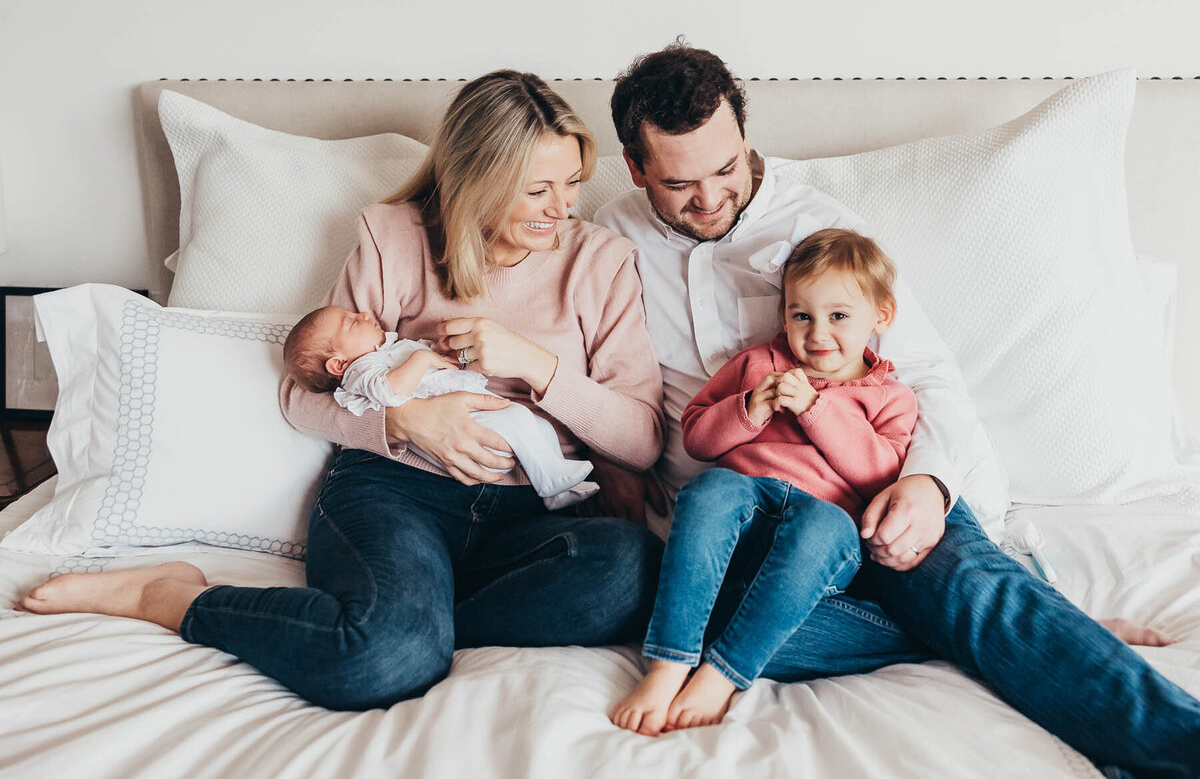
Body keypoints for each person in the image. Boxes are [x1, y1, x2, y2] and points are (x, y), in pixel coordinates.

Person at [595, 42, 1199, 775]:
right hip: (735, 523)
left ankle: (1171, 738)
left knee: (975, 597)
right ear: (634, 168)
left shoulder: (818, 226)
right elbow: (601, 375)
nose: (713, 197)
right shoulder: (611, 239)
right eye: (681, 184)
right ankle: (1027, 626)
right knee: (715, 629)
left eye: (727, 168)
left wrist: (929, 482)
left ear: (745, 139)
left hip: (873, 490)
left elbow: (927, 375)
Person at [19, 69, 666, 711]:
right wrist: (408, 421)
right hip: (396, 493)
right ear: (477, 182)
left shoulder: (599, 261)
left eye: (573, 183)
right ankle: (168, 597)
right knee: (384, 661)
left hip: (530, 510)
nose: (564, 208)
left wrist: (538, 366)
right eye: (539, 190)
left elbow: (641, 441)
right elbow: (303, 394)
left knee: (632, 572)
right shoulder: (393, 238)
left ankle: (410, 620)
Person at [612, 229, 917, 736]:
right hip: (745, 510)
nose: (817, 333)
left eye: (839, 316)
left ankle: (723, 672)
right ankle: (669, 662)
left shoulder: (890, 397)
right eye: (802, 315)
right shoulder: (759, 365)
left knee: (824, 528)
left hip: (826, 524)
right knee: (709, 489)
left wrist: (817, 411)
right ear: (784, 316)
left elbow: (880, 474)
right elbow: (696, 438)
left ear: (880, 317)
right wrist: (749, 409)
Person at [283, 304, 598, 510]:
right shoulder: (361, 371)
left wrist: (441, 355)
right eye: (353, 323)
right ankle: (553, 479)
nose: (364, 314)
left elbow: (426, 371)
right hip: (454, 433)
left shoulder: (386, 351)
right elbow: (389, 391)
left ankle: (555, 487)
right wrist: (421, 360)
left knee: (536, 425)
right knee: (519, 418)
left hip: (472, 421)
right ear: (338, 364)